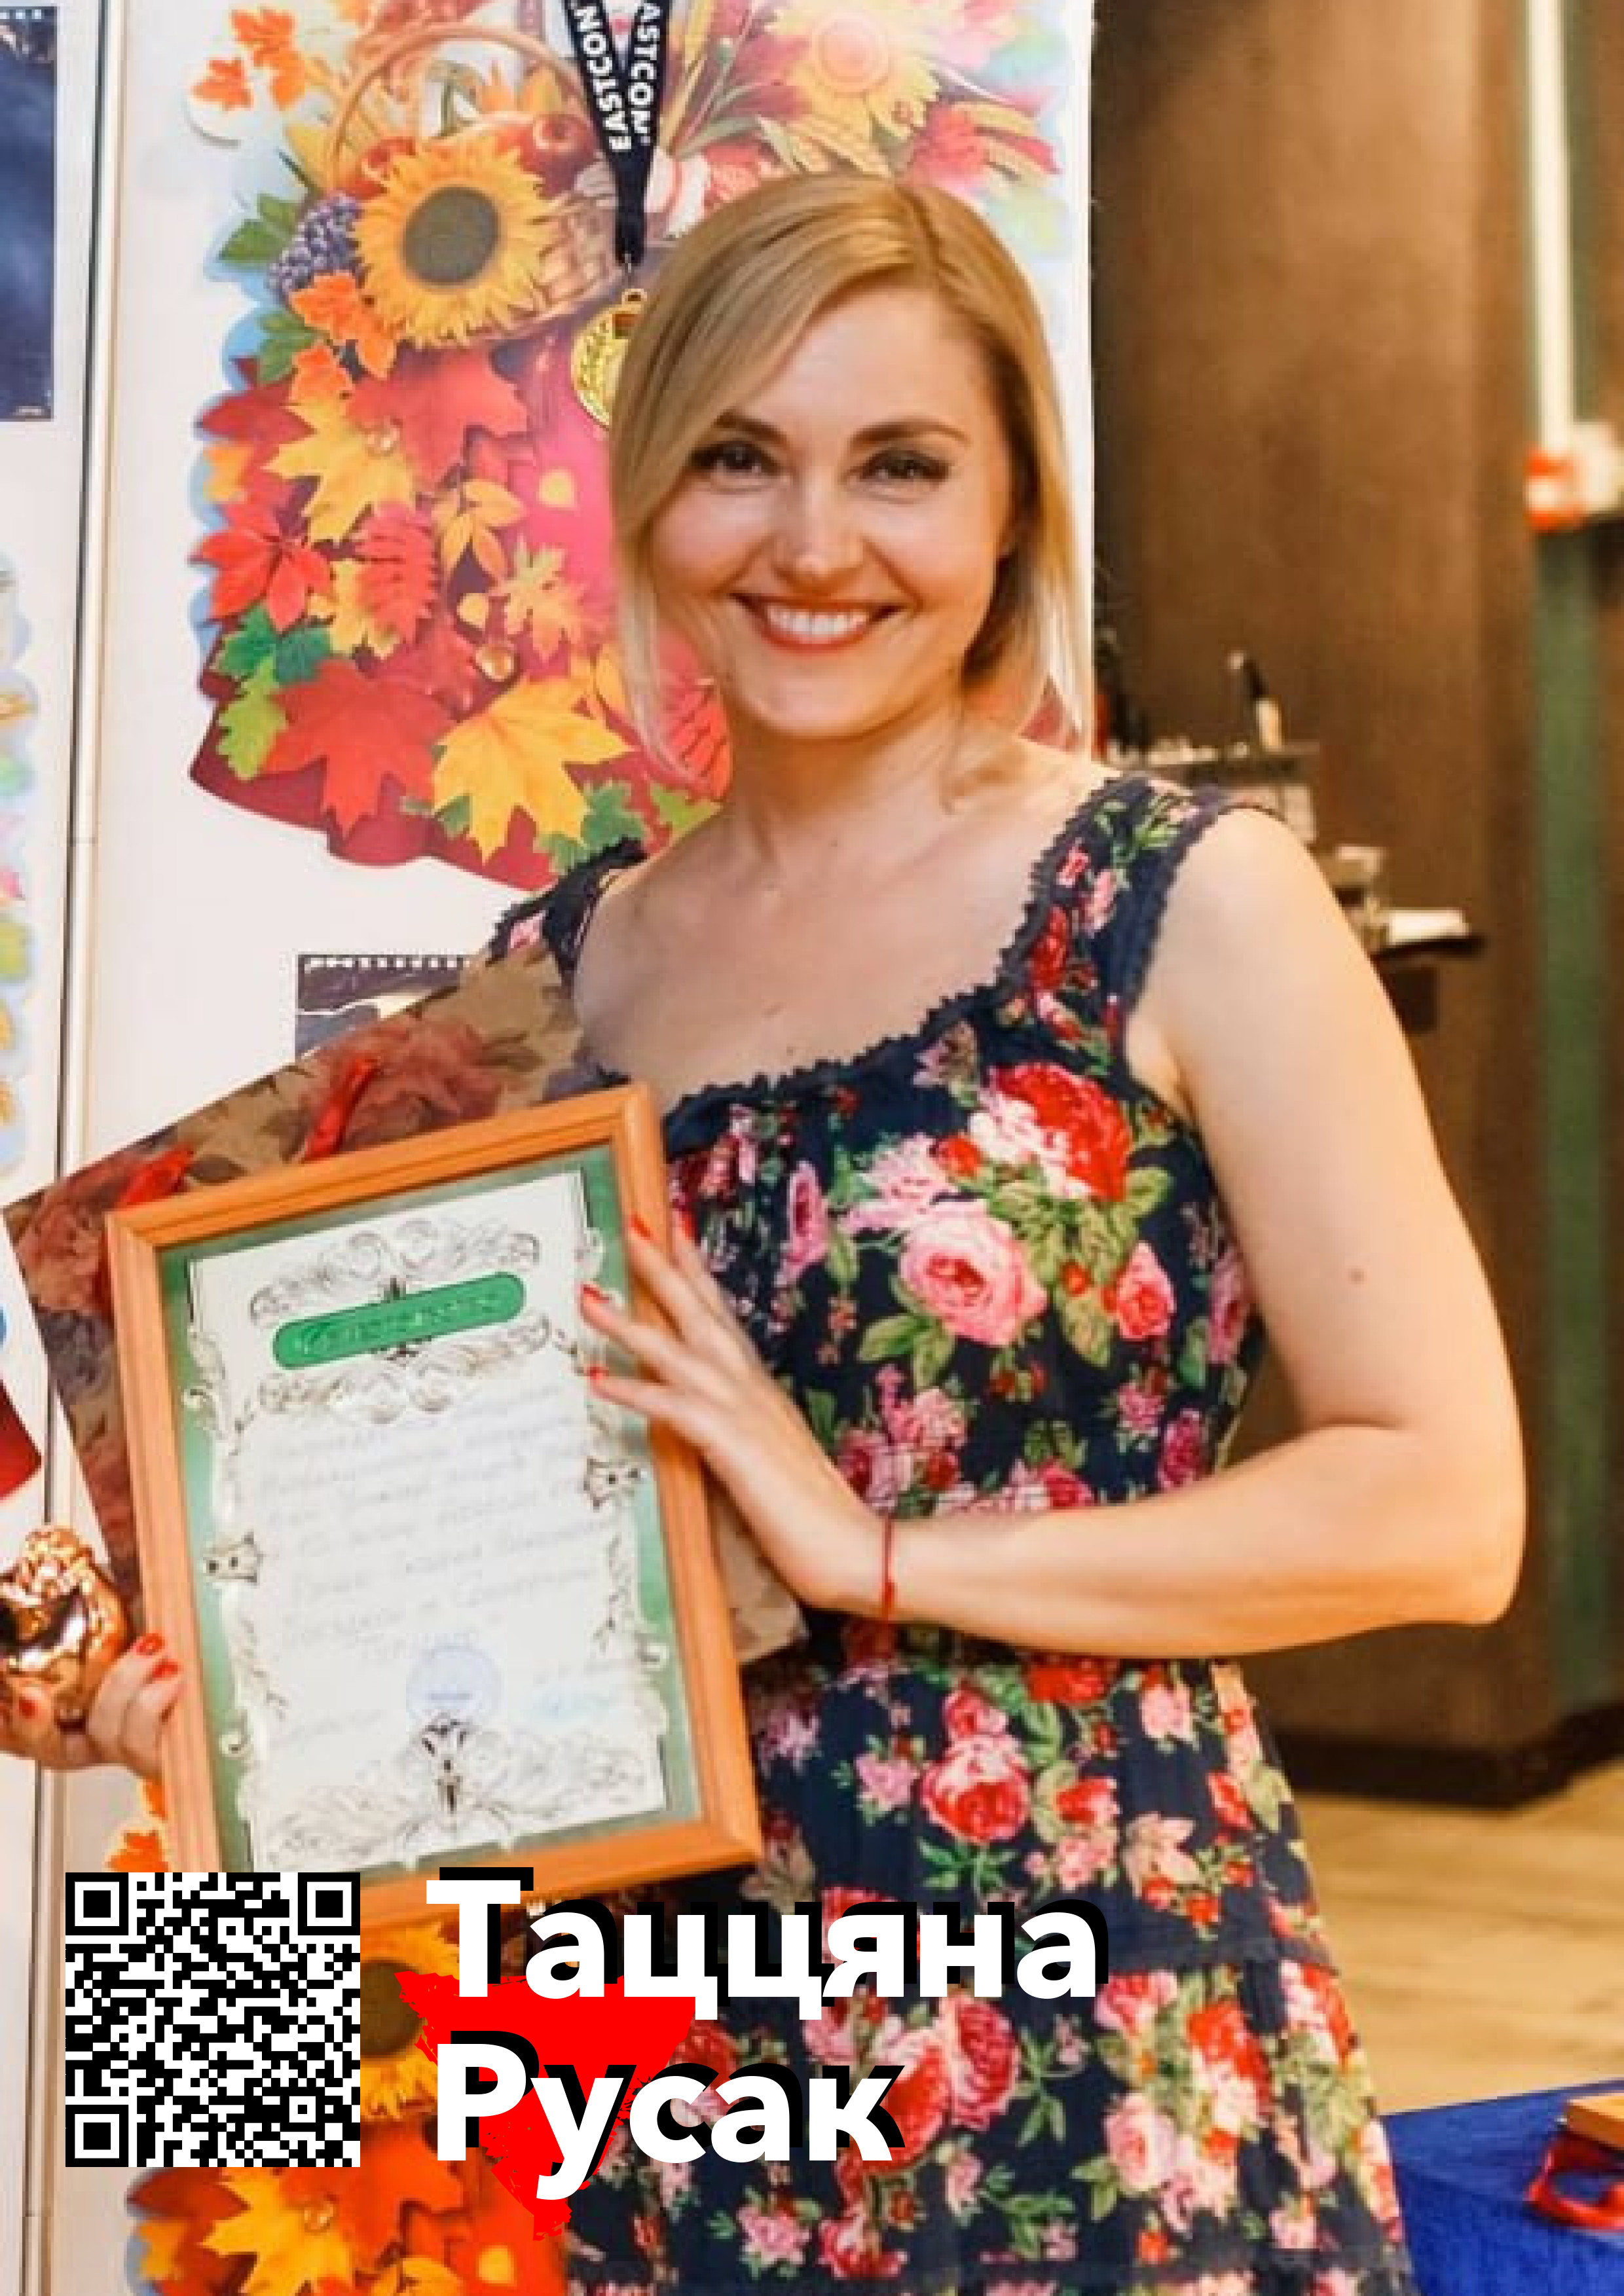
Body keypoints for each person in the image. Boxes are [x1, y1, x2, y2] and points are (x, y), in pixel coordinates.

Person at [5, 174, 1523, 2295]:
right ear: (648, 502)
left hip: (1070, 2053)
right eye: (742, 457)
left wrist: (873, 1553)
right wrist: (201, 1739)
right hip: (616, 2087)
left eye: (900, 465)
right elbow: (422, 1630)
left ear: (1012, 506)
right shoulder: (545, 972)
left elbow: (1449, 1515)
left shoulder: (1186, 902)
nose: (816, 544)